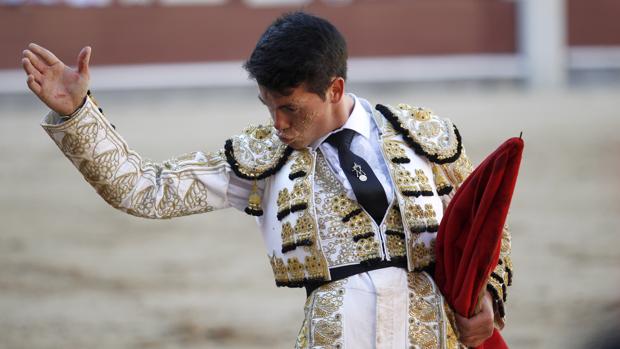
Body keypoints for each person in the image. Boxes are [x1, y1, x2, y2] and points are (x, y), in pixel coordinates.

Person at [21, 11, 512, 348]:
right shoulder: (263, 159)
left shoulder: (421, 136)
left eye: (290, 108)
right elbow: (146, 190)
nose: (278, 123)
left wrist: (487, 294)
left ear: (334, 88)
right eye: (269, 106)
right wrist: (79, 116)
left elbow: (488, 226)